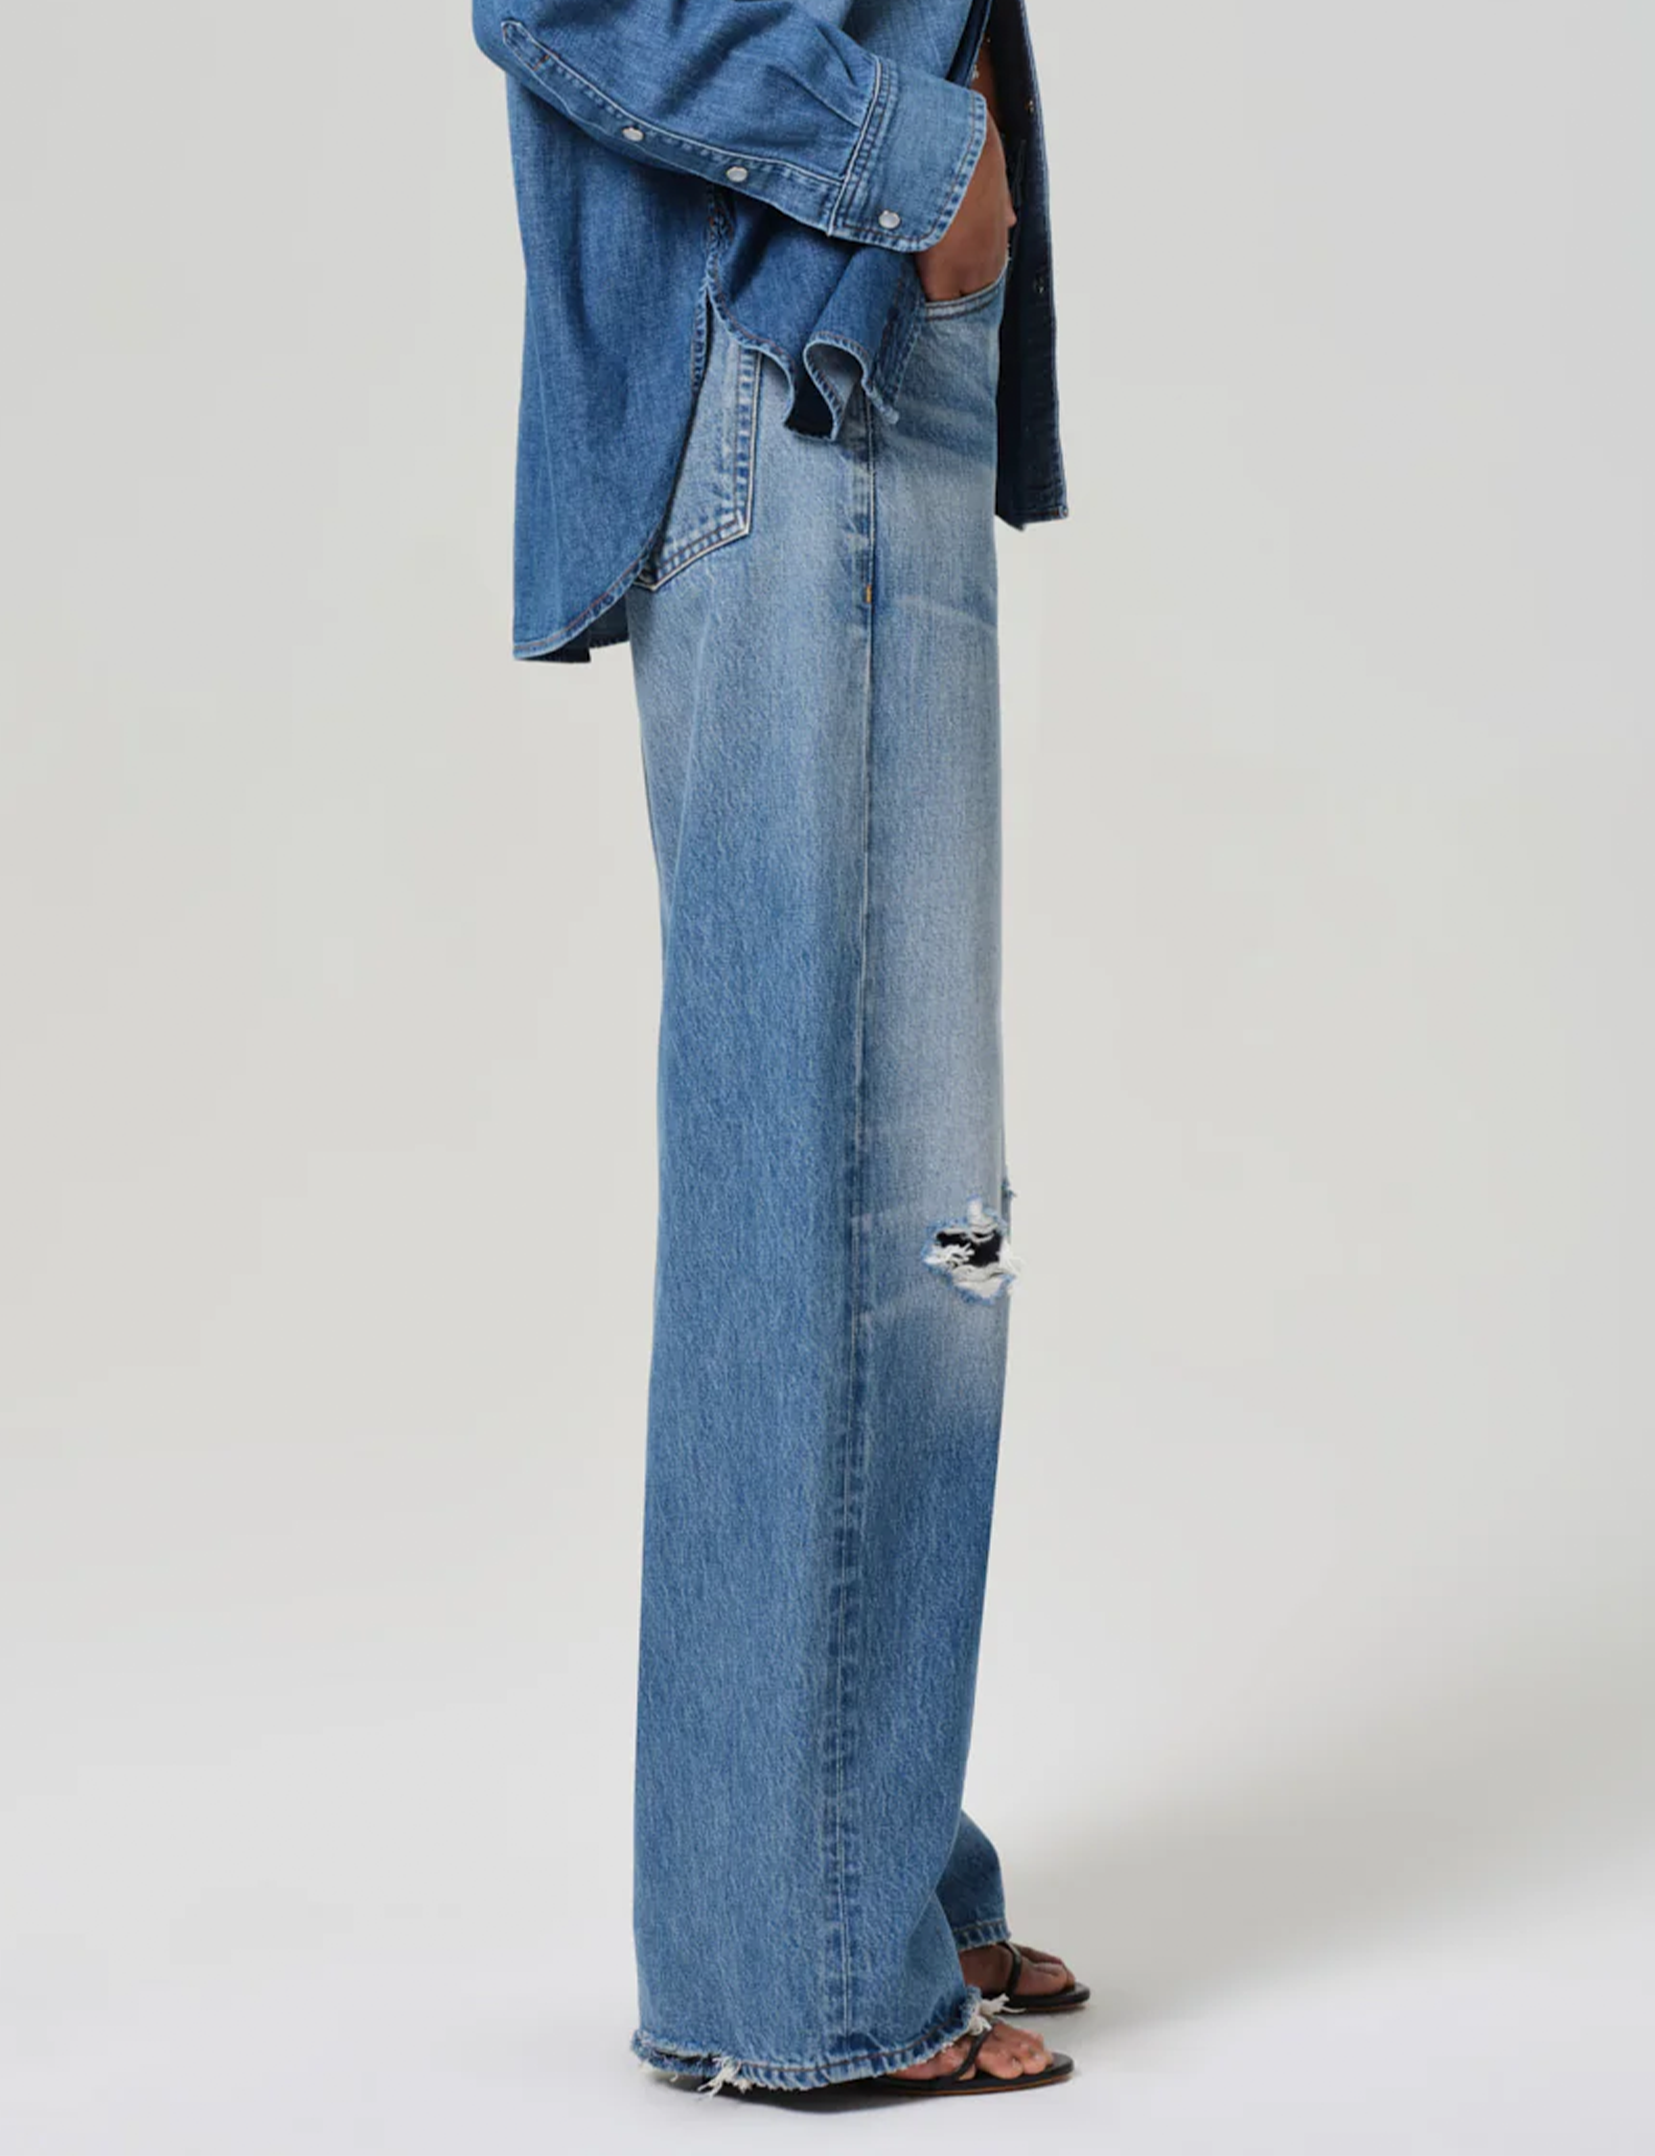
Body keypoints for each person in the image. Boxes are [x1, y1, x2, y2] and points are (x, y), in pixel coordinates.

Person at [472, 0, 1076, 2099]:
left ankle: (864, 1866)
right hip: (790, 347)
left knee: (910, 1207)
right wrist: (915, 163)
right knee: (836, 1194)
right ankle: (792, 1962)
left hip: (863, 344)